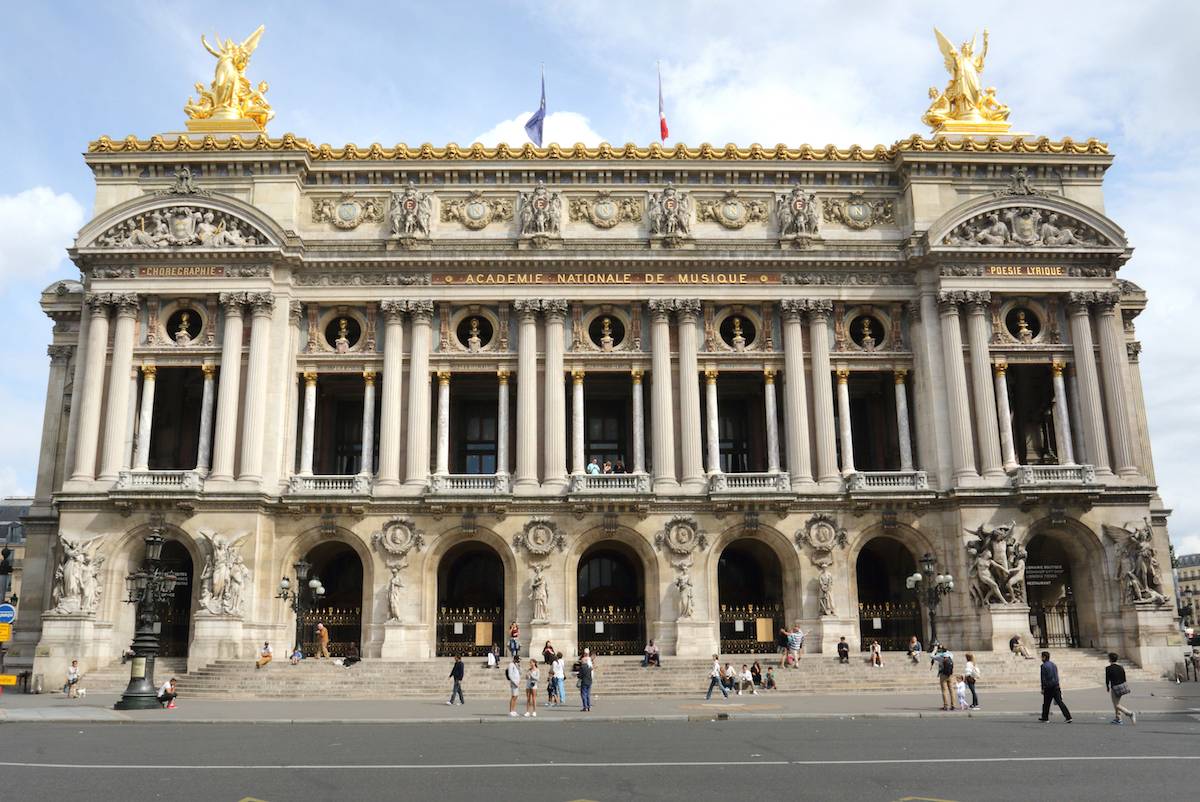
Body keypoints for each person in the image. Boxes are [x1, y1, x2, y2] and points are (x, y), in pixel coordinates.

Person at [1038, 650, 1073, 723]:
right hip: (1056, 686)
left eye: (1042, 657)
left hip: (1048, 687)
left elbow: (1043, 678)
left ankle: (1045, 717)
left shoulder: (1043, 666)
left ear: (1044, 657)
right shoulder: (1053, 665)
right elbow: (1056, 676)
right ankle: (1068, 716)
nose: (1041, 658)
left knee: (1046, 703)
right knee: (1060, 702)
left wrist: (1042, 688)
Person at [1105, 652, 1136, 725]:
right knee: (1117, 703)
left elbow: (1107, 679)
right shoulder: (1121, 667)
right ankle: (1118, 718)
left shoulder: (1108, 668)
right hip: (1122, 686)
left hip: (1115, 687)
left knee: (1116, 705)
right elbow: (1124, 677)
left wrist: (1107, 687)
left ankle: (1130, 713)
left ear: (1110, 659)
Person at [931, 646, 955, 710]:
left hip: (943, 674)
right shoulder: (950, 655)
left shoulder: (940, 657)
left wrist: (935, 650)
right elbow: (948, 652)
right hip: (950, 674)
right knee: (951, 690)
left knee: (944, 691)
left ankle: (946, 705)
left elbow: (931, 656)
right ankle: (953, 705)